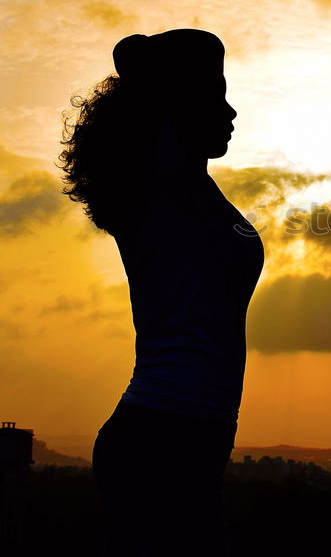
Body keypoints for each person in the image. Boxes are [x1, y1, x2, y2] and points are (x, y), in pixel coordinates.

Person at [58, 29, 265, 555]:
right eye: (217, 94)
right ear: (176, 102)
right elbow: (146, 60)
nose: (232, 112)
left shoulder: (190, 187)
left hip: (185, 437)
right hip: (164, 438)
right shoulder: (160, 180)